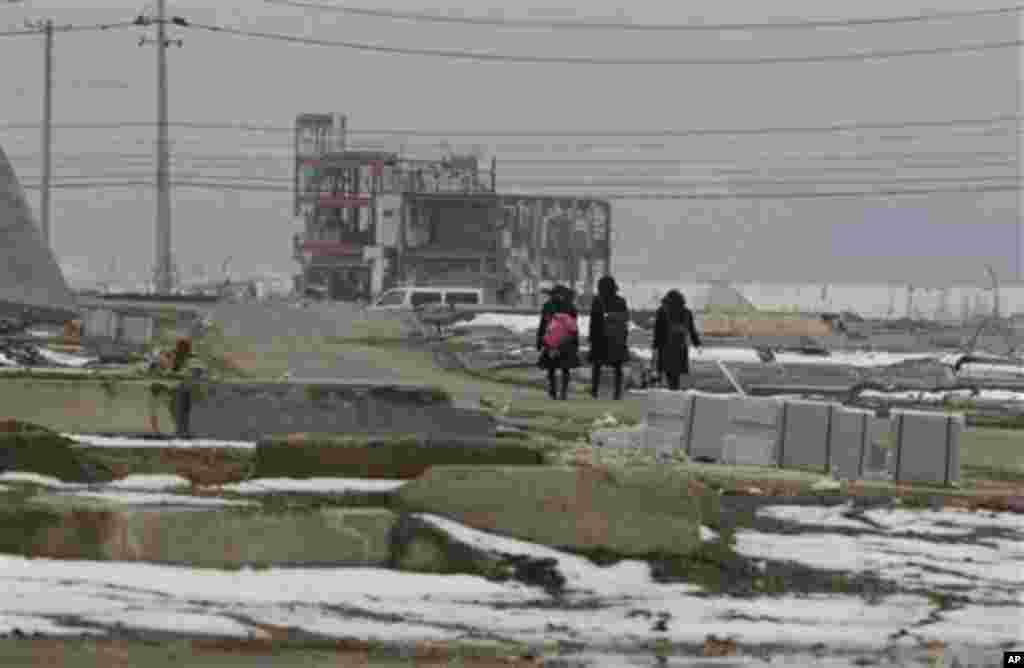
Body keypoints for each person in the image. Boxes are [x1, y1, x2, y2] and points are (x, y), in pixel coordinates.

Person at [588, 275, 630, 400]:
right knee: (617, 367)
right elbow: (625, 319)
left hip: (600, 338)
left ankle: (595, 391)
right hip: (616, 339)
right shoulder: (621, 301)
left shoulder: (597, 300)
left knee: (597, 367)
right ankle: (617, 393)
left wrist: (591, 337)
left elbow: (594, 321)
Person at [536, 284, 581, 400]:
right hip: (566, 341)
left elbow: (543, 325)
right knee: (565, 368)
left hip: (551, 341)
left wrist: (540, 341)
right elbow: (574, 327)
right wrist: (576, 342)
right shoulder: (571, 307)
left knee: (551, 368)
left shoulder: (547, 306)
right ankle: (564, 392)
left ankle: (553, 391)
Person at [653, 290, 702, 391]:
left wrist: (655, 347)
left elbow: (657, 332)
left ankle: (672, 389)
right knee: (676, 373)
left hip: (666, 347)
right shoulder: (686, 312)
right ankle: (674, 389)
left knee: (669, 372)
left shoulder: (662, 311)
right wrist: (697, 344)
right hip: (680, 347)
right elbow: (691, 330)